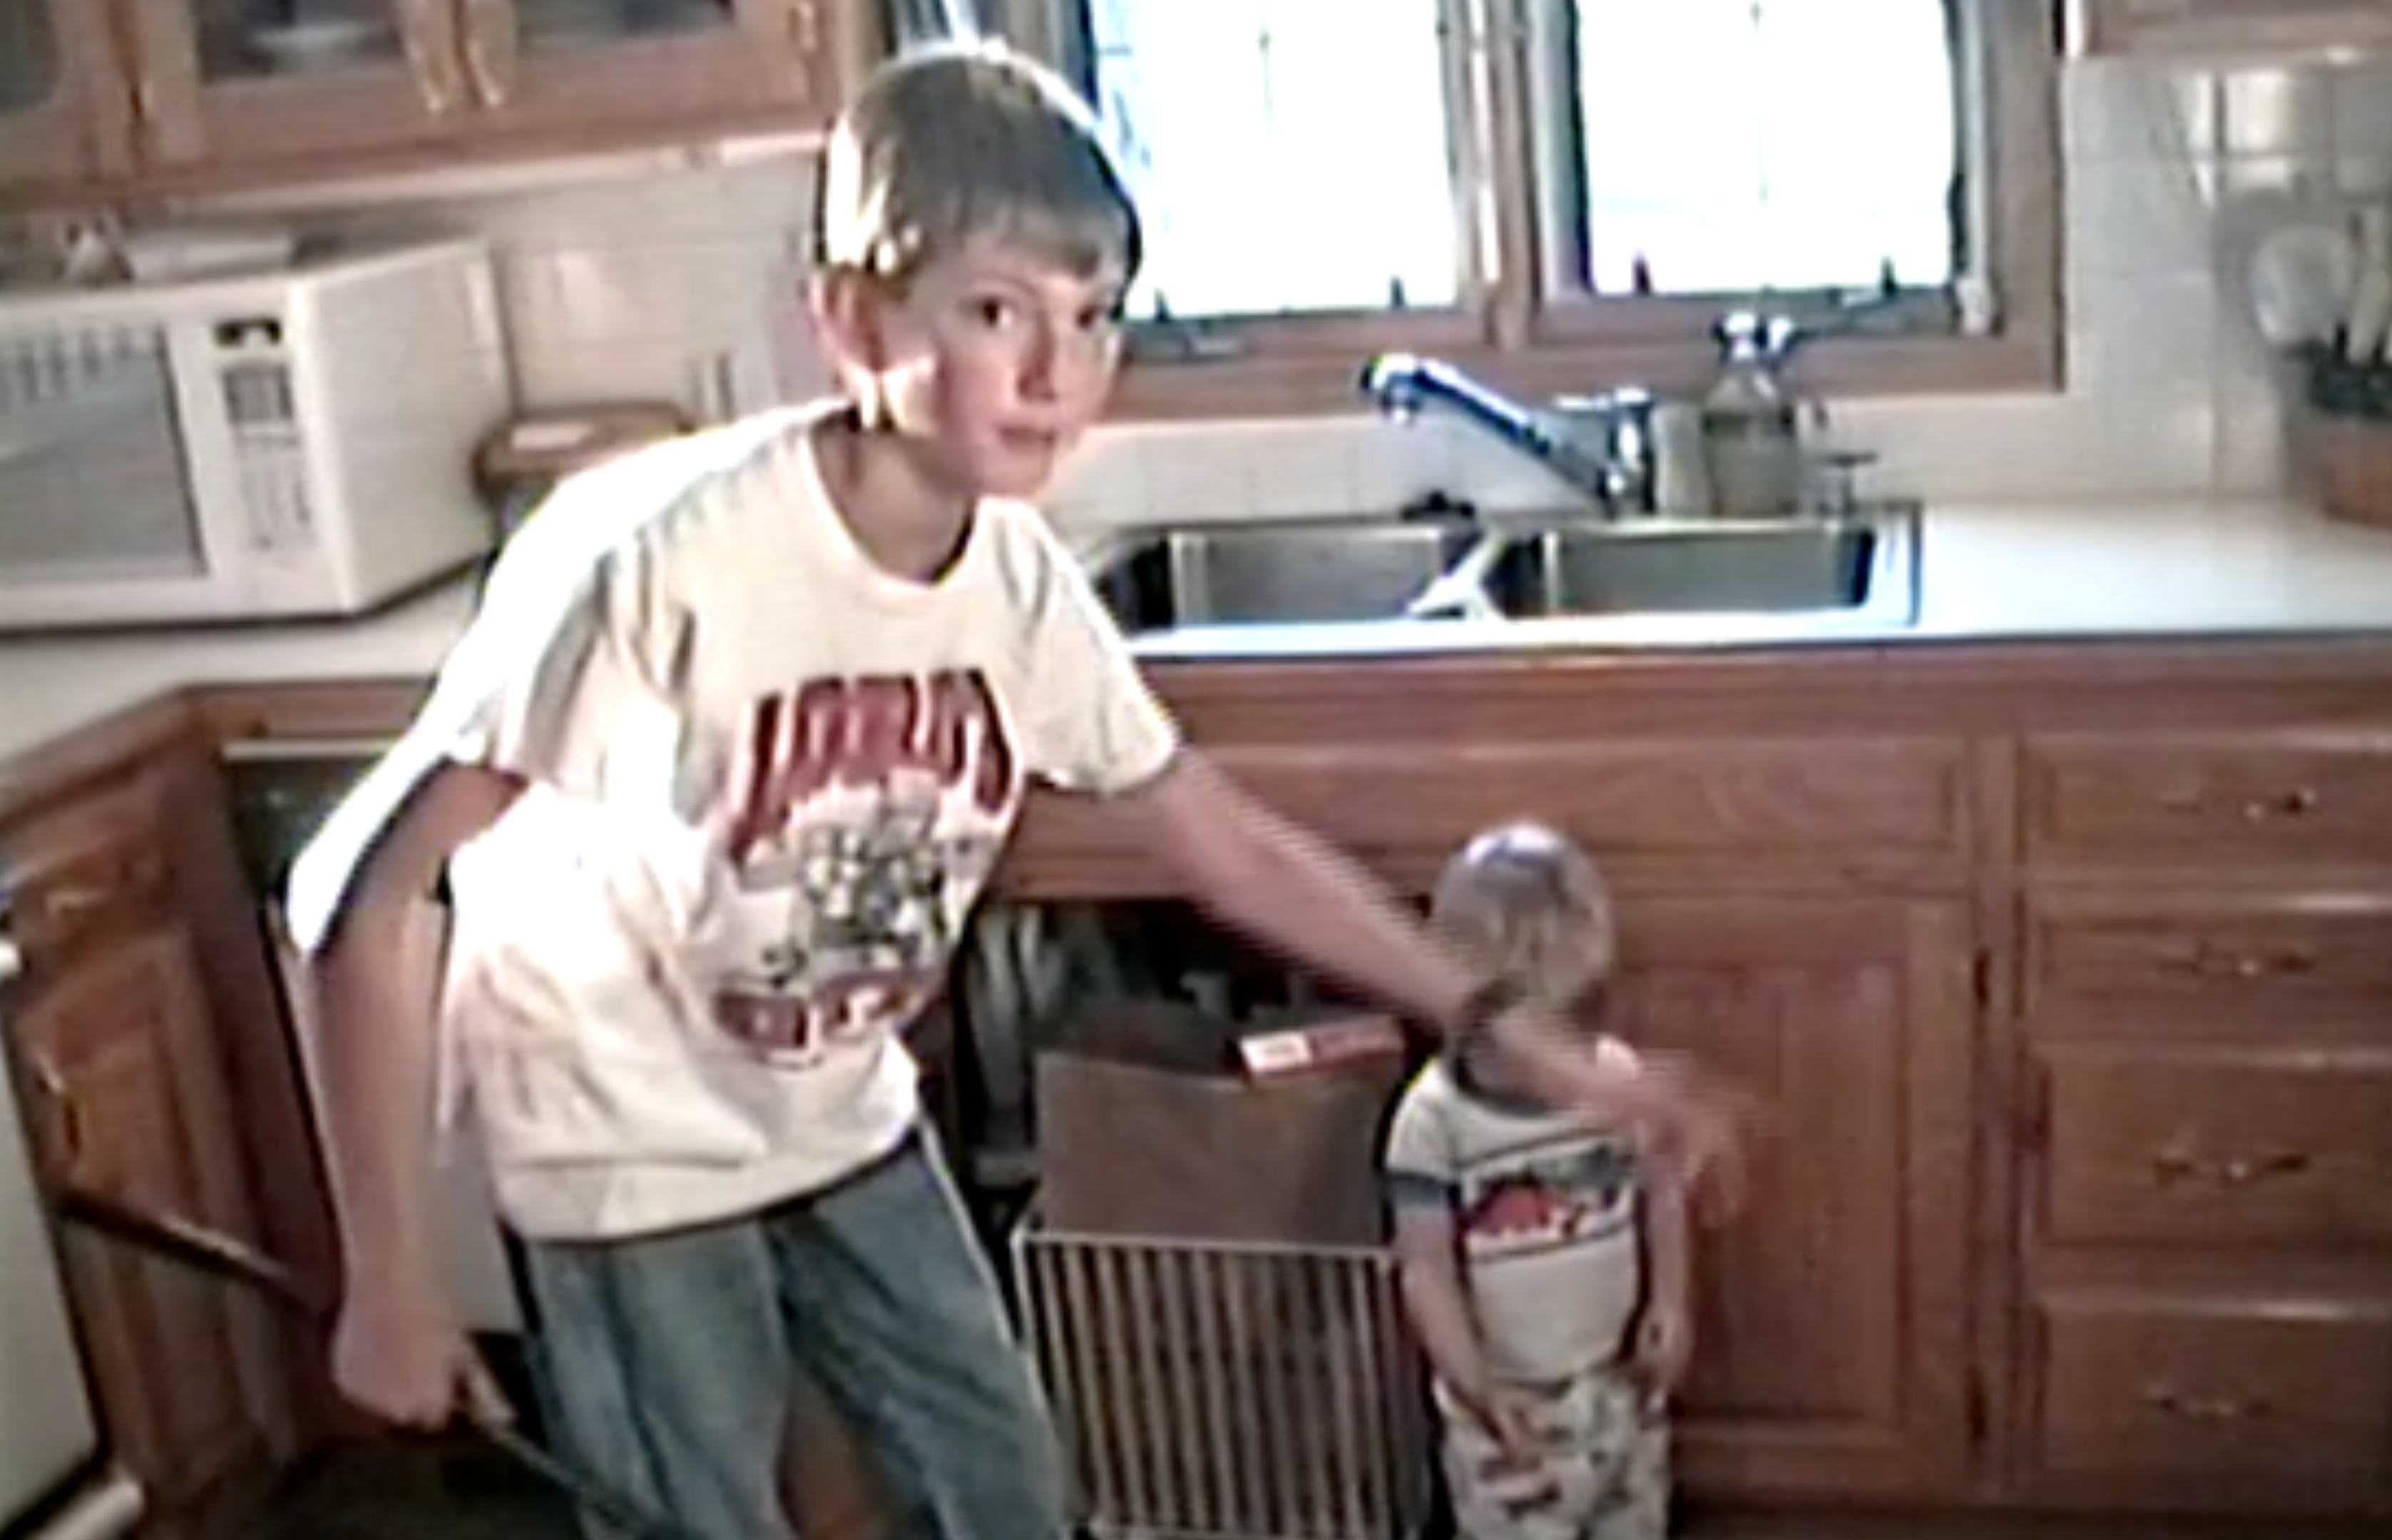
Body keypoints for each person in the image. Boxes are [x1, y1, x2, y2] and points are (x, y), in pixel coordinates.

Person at [280, 33, 1749, 1540]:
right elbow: (356, 896)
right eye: (996, 313)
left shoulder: (1013, 585)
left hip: (837, 1110)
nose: (1059, 374)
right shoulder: (657, 565)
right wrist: (388, 1281)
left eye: (1093, 317)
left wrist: (1524, 1043)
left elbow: (1221, 843)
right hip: (618, 1140)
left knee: (1008, 1491)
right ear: (851, 323)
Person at [1384, 821, 1690, 1540]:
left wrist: (1672, 1304)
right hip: (1506, 1419)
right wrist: (1477, 1390)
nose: (1559, 1058)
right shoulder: (1432, 1122)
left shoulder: (1614, 1080)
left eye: (1572, 1022)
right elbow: (1425, 1273)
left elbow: (1662, 1189)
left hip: (1620, 1391)